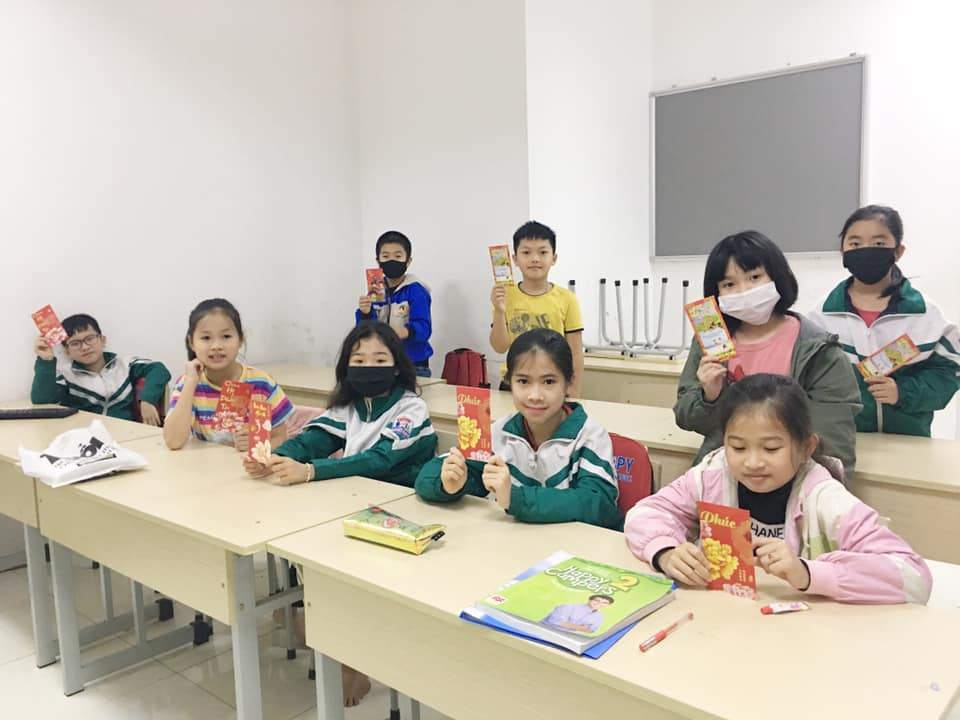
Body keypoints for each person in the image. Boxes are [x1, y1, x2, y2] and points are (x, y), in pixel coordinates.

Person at [627, 373, 931, 604]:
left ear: (806, 447)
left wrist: (808, 573)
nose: (752, 462)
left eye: (771, 448)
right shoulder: (713, 474)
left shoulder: (823, 497)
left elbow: (913, 576)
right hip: (724, 617)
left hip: (804, 631)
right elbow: (647, 512)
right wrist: (665, 552)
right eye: (738, 447)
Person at [675, 230, 860, 476]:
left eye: (754, 277)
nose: (743, 290)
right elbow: (687, 418)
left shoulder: (818, 350)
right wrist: (709, 397)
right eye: (729, 284)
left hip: (792, 480)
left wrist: (812, 491)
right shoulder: (711, 343)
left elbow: (833, 443)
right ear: (716, 293)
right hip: (723, 476)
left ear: (777, 276)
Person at [416, 328, 620, 530]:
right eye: (523, 381)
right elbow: (427, 477)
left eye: (549, 381)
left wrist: (514, 498)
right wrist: (448, 484)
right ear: (509, 382)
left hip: (574, 546)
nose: (535, 395)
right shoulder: (499, 433)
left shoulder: (589, 436)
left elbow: (598, 504)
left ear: (568, 383)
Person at [808, 205, 960, 435]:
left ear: (898, 251)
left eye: (878, 243)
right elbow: (810, 381)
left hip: (909, 441)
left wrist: (903, 392)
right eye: (855, 243)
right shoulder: (822, 316)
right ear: (842, 251)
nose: (865, 250)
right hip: (847, 440)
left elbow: (948, 372)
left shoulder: (924, 314)